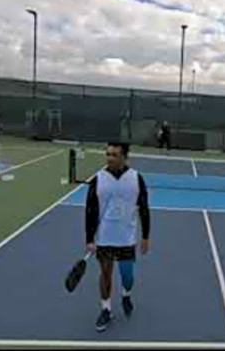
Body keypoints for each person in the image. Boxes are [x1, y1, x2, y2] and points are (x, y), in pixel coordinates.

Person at [85, 142, 151, 332]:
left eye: (114, 155)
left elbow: (144, 208)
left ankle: (126, 294)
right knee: (105, 274)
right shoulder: (98, 179)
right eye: (107, 154)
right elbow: (90, 210)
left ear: (124, 157)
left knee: (127, 276)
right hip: (105, 239)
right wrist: (89, 238)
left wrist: (146, 236)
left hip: (127, 239)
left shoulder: (136, 179)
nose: (109, 158)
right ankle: (106, 309)